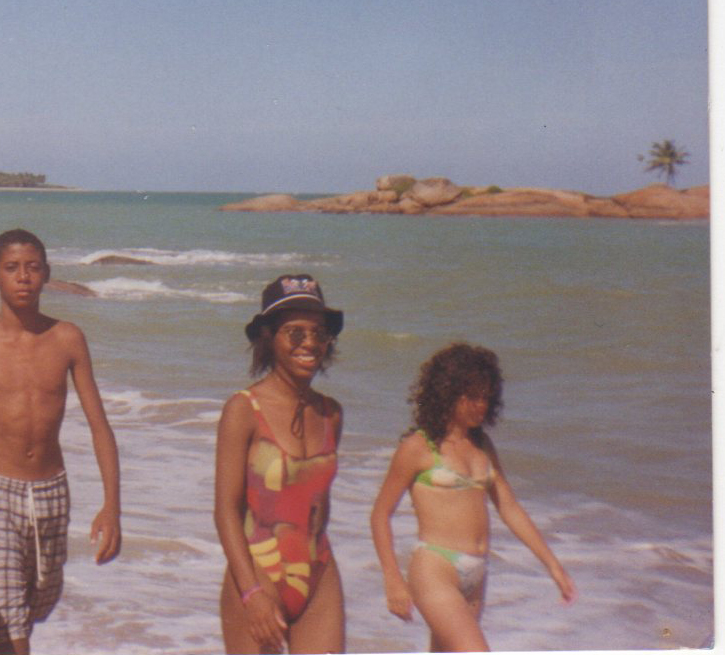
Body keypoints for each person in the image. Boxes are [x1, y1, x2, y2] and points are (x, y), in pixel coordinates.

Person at [0, 229, 122, 655]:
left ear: (47, 274)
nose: (23, 277)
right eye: (12, 268)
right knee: (13, 632)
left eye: (33, 268)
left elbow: (99, 426)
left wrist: (112, 505)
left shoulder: (67, 339)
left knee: (22, 618)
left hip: (51, 493)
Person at [369, 343, 575, 652]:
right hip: (436, 568)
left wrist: (553, 565)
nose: (481, 405)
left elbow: (509, 507)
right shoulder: (418, 446)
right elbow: (380, 514)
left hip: (477, 575)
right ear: (448, 393)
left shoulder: (482, 445)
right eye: (473, 396)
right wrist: (393, 579)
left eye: (486, 397)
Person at [213, 274, 346, 655]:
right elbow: (225, 511)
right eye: (295, 333)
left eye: (318, 333)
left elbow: (319, 502)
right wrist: (251, 593)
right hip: (258, 571)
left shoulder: (331, 413)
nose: (309, 344)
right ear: (269, 337)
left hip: (318, 570)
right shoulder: (243, 410)